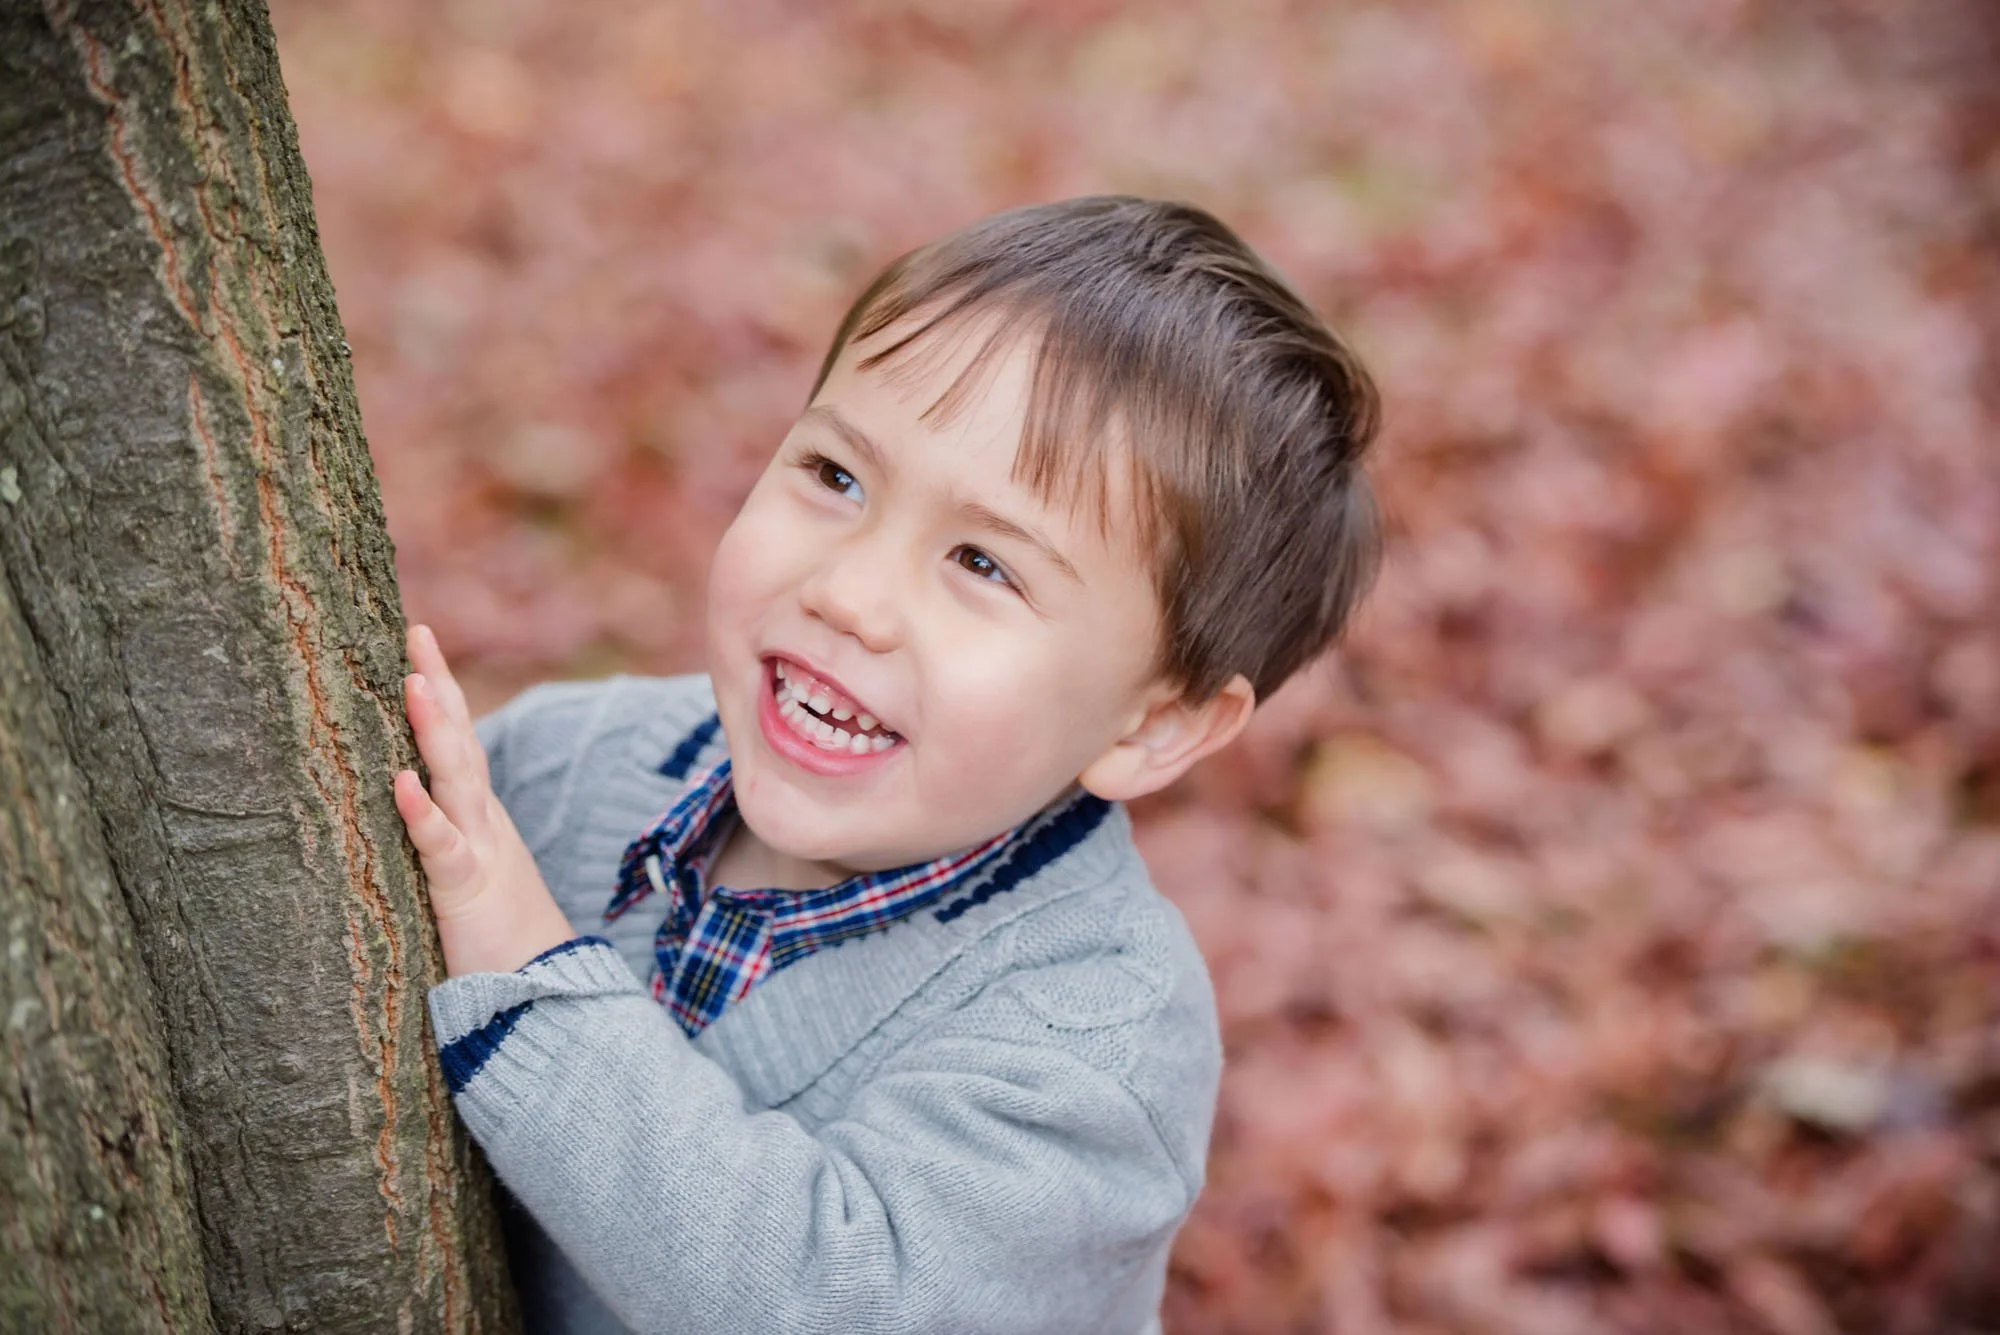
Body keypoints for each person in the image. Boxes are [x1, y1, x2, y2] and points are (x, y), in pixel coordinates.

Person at [392, 195, 1381, 1334]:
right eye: (835, 476)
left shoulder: (1090, 1041)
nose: (847, 595)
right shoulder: (564, 770)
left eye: (981, 563)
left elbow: (831, 1301)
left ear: (1151, 726)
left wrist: (528, 964)